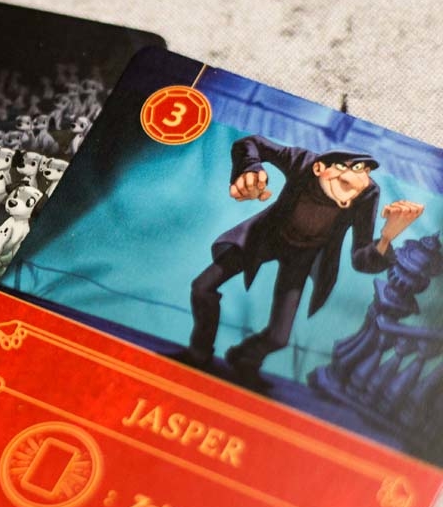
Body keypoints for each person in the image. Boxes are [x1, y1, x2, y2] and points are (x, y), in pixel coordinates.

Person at [180, 135, 424, 390]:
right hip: (266, 238)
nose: (355, 176)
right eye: (345, 166)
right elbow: (251, 143)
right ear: (319, 168)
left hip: (302, 256)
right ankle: (199, 352)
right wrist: (250, 169)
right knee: (202, 286)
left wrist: (386, 238)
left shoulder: (367, 193)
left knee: (279, 337)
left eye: (362, 169)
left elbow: (361, 258)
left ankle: (244, 359)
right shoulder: (302, 162)